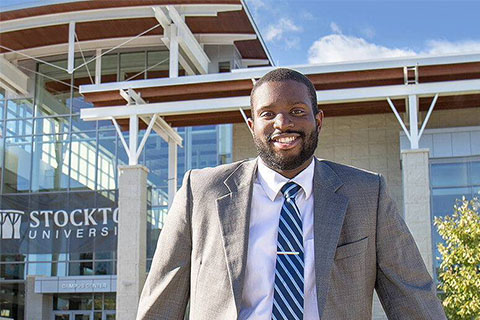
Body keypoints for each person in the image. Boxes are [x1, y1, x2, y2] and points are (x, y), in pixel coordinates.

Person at [136, 68, 446, 319]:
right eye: (268, 114)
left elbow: (413, 297)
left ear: (318, 120)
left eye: (297, 111)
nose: (283, 123)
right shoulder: (200, 191)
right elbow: (162, 301)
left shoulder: (367, 194)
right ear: (251, 125)